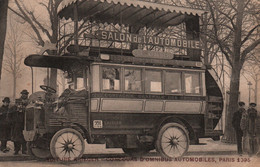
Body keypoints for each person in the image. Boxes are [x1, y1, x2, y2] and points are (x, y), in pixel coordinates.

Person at [12, 89, 29, 155]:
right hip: (18, 121)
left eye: (26, 94)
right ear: (22, 94)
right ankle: (16, 150)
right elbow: (14, 109)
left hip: (26, 121)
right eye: (23, 94)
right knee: (17, 136)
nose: (25, 95)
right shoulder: (17, 101)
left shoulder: (29, 101)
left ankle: (24, 150)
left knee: (24, 136)